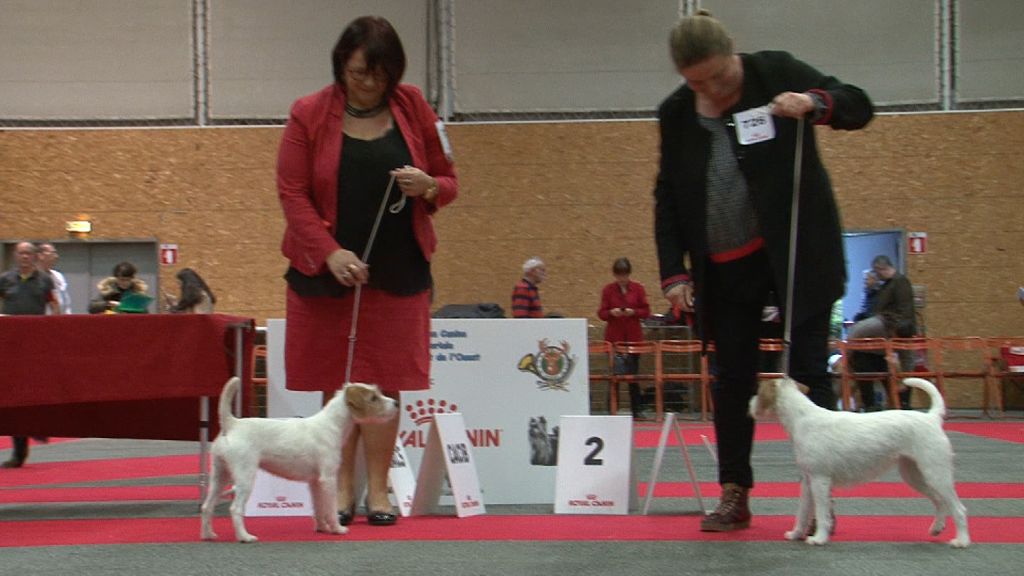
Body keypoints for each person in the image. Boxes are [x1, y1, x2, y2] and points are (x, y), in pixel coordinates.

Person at [653, 11, 873, 532]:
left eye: (719, 76)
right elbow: (669, 195)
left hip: (795, 254)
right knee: (731, 379)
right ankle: (734, 492)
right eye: (698, 83)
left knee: (810, 371)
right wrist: (674, 271)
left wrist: (816, 103)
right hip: (724, 268)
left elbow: (858, 104)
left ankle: (820, 498)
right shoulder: (676, 112)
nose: (712, 89)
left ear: (733, 51)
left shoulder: (775, 71)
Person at [276, 15, 457, 527]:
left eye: (379, 74)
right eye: (358, 72)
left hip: (397, 267)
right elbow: (292, 192)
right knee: (336, 382)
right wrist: (329, 252)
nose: (368, 83)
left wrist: (428, 186)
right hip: (326, 270)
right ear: (340, 65)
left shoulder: (414, 106)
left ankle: (379, 489)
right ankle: (341, 488)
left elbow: (448, 180)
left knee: (386, 384)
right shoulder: (308, 113)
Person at [0, 242, 61, 468]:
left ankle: (38, 427)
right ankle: (19, 451)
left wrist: (55, 329)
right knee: (13, 395)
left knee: (36, 391)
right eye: (21, 253)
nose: (24, 256)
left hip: (36, 345)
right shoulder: (5, 279)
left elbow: (54, 304)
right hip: (10, 346)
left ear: (35, 256)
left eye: (28, 253)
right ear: (15, 256)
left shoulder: (45, 280)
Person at [848, 255, 917, 408]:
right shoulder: (886, 285)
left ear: (880, 268)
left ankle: (845, 358)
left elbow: (905, 310)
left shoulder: (899, 282)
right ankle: (899, 402)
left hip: (891, 323)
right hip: (887, 324)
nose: (875, 275)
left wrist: (897, 329)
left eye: (876, 271)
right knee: (904, 366)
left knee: (857, 330)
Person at [597, 257, 651, 418]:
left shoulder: (638, 289)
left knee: (633, 375)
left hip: (634, 338)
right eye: (619, 275)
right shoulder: (608, 290)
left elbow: (646, 311)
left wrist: (634, 312)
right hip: (614, 339)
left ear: (629, 274)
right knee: (615, 375)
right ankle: (612, 409)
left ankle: (636, 410)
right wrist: (611, 313)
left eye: (625, 275)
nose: (622, 278)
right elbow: (601, 313)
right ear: (615, 275)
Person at [37, 243, 71, 315]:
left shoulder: (58, 276)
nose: (56, 256)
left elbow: (65, 300)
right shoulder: (34, 278)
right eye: (53, 253)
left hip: (60, 317)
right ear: (41, 256)